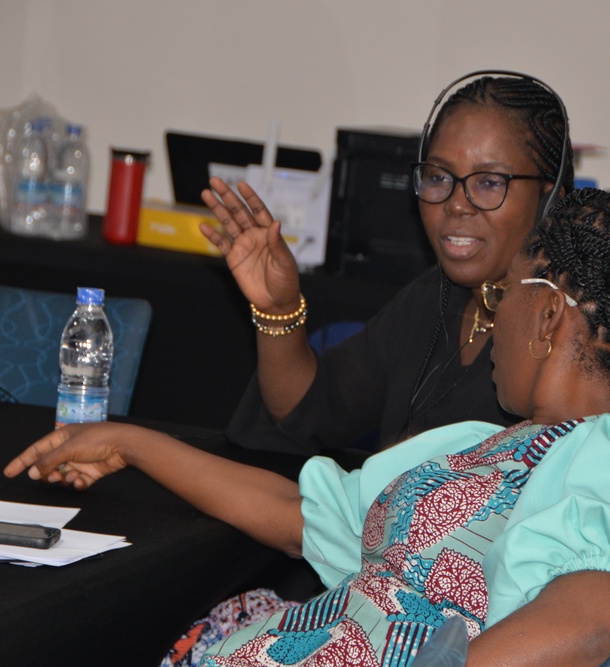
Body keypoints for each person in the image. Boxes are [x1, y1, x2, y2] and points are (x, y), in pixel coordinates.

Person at [4, 189, 610, 666]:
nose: (490, 314)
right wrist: (133, 442)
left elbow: (587, 622)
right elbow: (300, 516)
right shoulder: (496, 444)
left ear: (546, 317)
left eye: (503, 292)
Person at [207, 71, 575, 456]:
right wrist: (278, 308)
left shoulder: (573, 334)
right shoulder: (433, 297)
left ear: (551, 200)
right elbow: (312, 414)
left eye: (488, 182)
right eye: (438, 176)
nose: (456, 204)